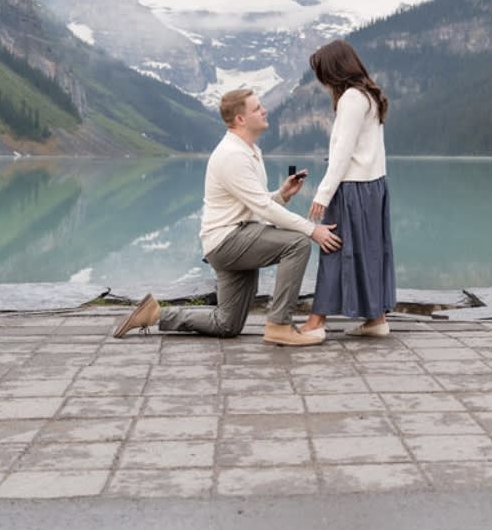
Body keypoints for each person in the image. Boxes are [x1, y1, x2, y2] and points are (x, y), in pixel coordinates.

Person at [113, 88, 342, 346]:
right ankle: (279, 325)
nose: (264, 111)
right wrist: (312, 230)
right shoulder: (233, 155)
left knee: (227, 324)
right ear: (240, 119)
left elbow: (255, 203)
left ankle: (155, 313)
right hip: (230, 241)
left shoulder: (250, 151)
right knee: (297, 243)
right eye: (257, 108)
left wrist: (281, 195)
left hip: (233, 239)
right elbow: (264, 210)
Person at [301, 40, 395, 338]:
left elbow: (343, 152)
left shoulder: (351, 100)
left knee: (333, 250)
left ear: (334, 70)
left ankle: (316, 323)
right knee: (370, 252)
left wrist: (322, 193)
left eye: (323, 72)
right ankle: (376, 318)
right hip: (374, 186)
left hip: (352, 188)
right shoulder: (369, 96)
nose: (322, 80)